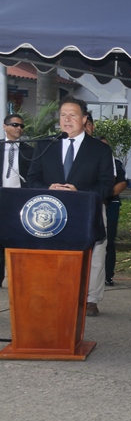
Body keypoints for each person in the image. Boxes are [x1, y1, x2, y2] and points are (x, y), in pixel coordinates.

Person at [27, 96, 114, 317]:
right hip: (52, 212)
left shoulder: (100, 149)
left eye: (72, 115)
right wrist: (48, 188)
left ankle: (91, 299)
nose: (67, 119)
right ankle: (55, 294)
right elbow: (32, 179)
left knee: (95, 256)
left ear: (84, 119)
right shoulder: (46, 145)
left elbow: (106, 185)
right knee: (56, 256)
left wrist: (80, 192)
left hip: (88, 210)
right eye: (63, 115)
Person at [0, 113, 34, 287]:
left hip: (20, 201)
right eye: (15, 125)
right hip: (1, 198)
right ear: (5, 127)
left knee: (19, 240)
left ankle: (19, 279)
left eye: (21, 126)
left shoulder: (29, 151)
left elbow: (34, 177)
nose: (19, 128)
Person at [98, 136, 128, 286]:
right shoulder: (90, 163)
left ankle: (108, 275)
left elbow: (123, 183)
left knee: (108, 240)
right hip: (92, 204)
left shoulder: (116, 164)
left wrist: (105, 194)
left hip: (111, 204)